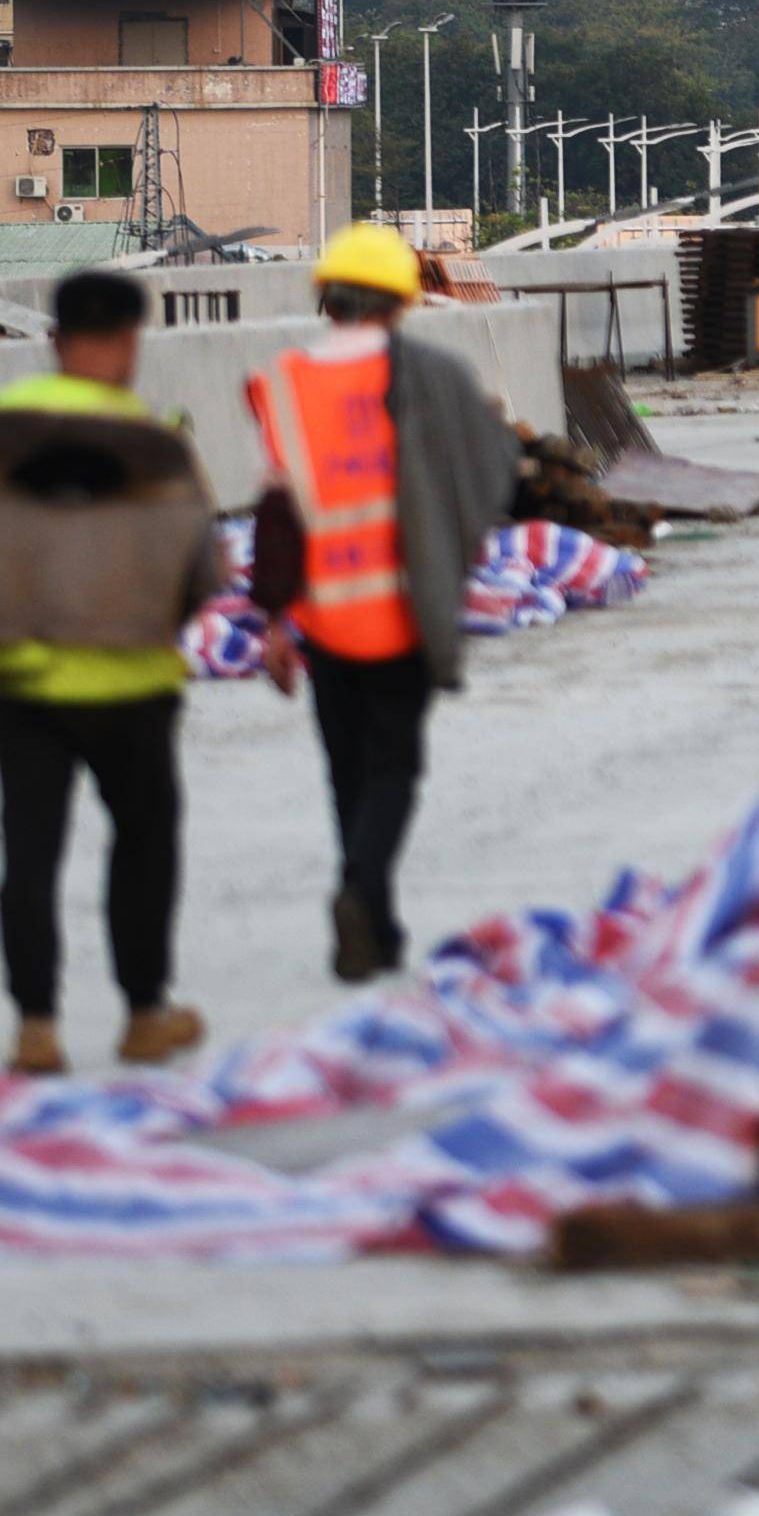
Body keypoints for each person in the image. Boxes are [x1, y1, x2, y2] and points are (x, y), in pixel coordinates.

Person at [0, 266, 222, 1076]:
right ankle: (143, 1013)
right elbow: (204, 564)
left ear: (54, 342)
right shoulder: (159, 440)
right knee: (144, 843)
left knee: (29, 852)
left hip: (20, 679)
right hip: (130, 681)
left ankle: (36, 1027)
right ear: (131, 342)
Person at [245, 222, 516, 982]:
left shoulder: (284, 383)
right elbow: (493, 473)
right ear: (402, 301)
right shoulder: (432, 374)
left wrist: (273, 622)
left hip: (324, 615)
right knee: (394, 770)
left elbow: (275, 513)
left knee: (346, 771)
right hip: (402, 606)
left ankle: (375, 918)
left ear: (326, 297)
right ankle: (362, 896)